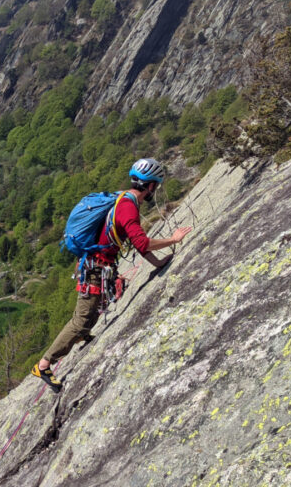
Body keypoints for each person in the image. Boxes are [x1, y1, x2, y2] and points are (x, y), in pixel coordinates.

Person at [31, 157, 192, 391]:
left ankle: (81, 335)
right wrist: (173, 239)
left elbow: (138, 245)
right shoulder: (128, 207)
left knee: (95, 309)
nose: (154, 190)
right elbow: (142, 243)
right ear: (150, 186)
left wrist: (157, 263)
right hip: (95, 268)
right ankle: (44, 365)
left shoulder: (122, 197)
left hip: (97, 265)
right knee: (81, 320)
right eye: (154, 186)